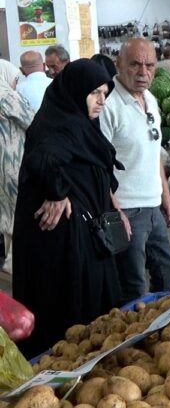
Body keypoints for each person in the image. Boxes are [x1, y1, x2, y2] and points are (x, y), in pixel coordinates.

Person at [13, 59, 125, 357]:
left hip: (89, 236)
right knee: (69, 313)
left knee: (96, 309)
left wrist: (115, 207)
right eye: (94, 93)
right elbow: (43, 159)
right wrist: (58, 191)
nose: (101, 100)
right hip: (62, 243)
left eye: (105, 93)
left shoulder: (85, 126)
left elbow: (99, 169)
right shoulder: (57, 124)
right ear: (75, 92)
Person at [99, 38, 170, 304]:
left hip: (153, 205)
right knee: (132, 286)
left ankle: (162, 332)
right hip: (126, 210)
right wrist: (115, 211)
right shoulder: (107, 105)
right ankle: (130, 342)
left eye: (149, 65)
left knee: (169, 274)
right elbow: (99, 166)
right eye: (135, 64)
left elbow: (154, 151)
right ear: (118, 64)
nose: (143, 72)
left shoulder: (151, 99)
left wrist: (166, 196)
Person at [0, 60, 35, 274]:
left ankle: (11, 264)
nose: (15, 84)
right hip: (12, 164)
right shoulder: (6, 96)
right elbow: (34, 121)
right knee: (20, 216)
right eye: (14, 79)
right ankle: (17, 267)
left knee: (6, 215)